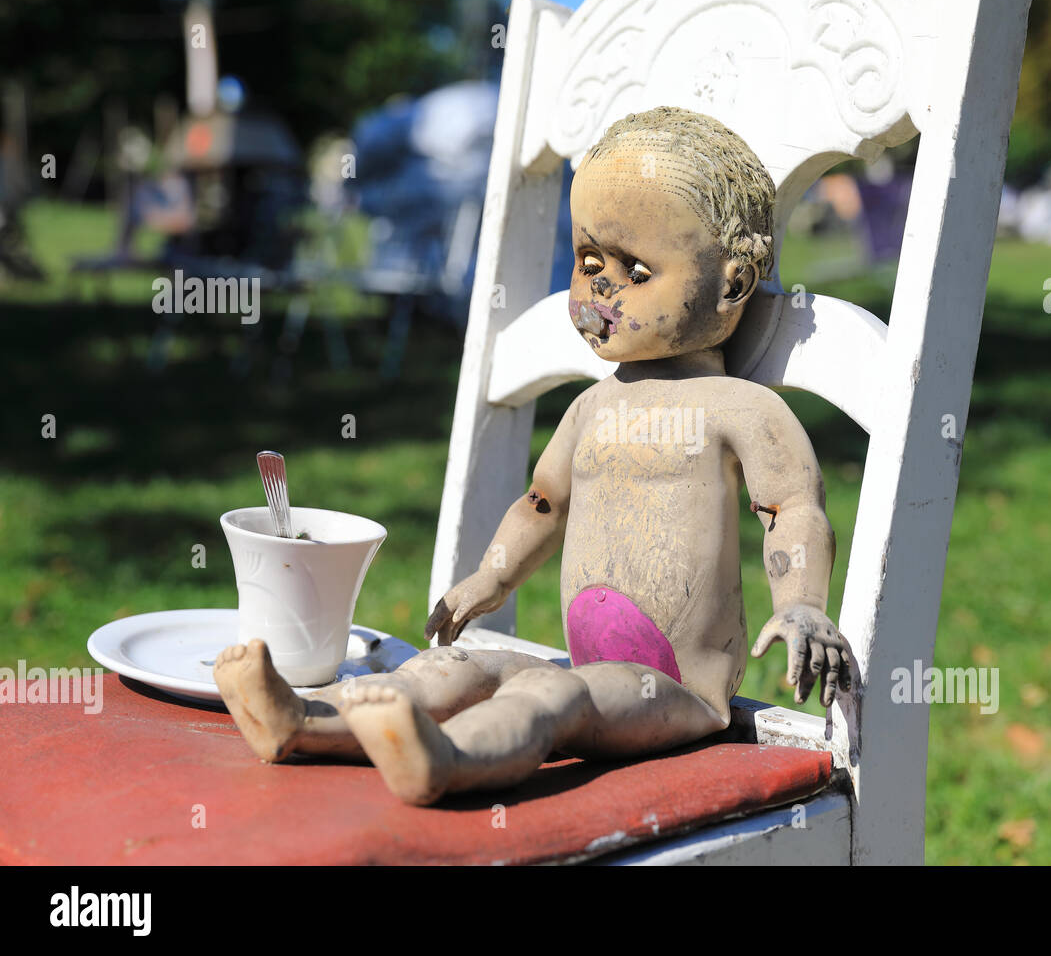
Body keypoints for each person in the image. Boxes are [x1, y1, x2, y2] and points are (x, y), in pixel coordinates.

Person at [214, 106, 851, 805]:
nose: (600, 290)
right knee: (459, 665)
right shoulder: (592, 405)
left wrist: (802, 607)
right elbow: (542, 502)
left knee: (550, 693)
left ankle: (449, 759)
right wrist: (490, 577)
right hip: (589, 667)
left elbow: (790, 508)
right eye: (587, 263)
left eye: (635, 271)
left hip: (678, 692)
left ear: (732, 284)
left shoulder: (740, 408)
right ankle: (304, 719)